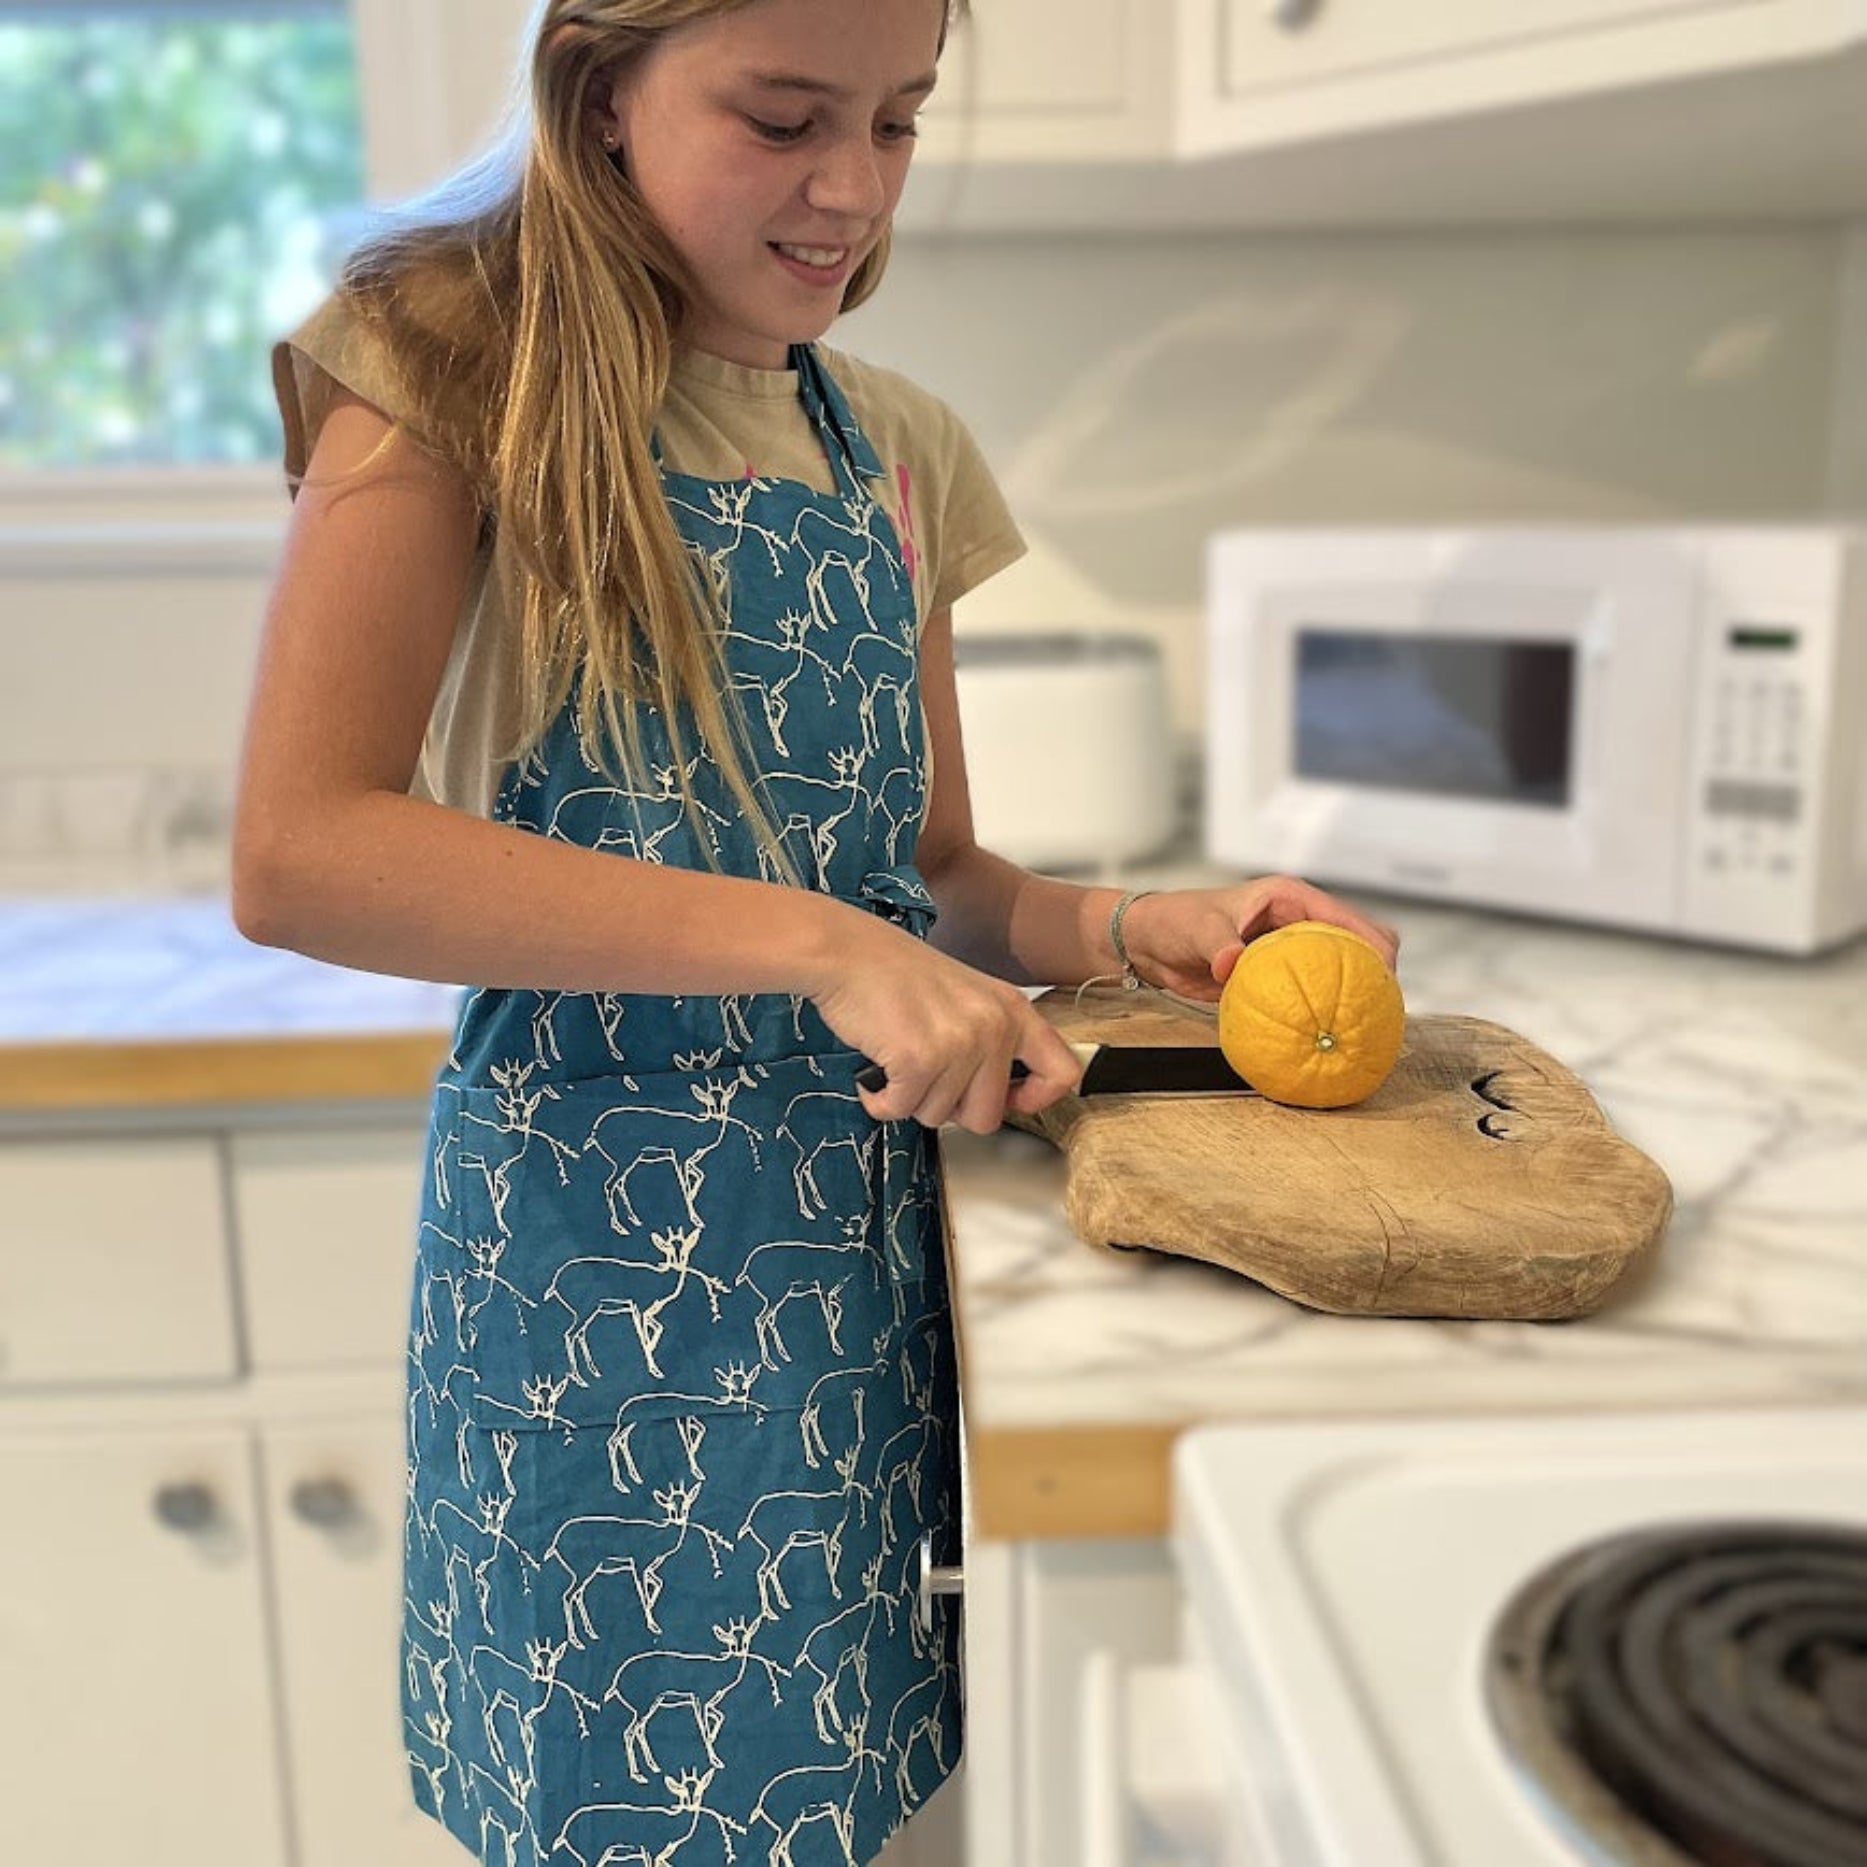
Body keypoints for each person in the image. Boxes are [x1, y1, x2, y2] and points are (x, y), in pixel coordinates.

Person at [234, 0, 1399, 1860]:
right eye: (784, 117)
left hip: (860, 1247)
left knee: (851, 1790)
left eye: (901, 122)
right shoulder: (453, 372)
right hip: (591, 1273)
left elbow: (929, 872)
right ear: (602, 95)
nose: (851, 188)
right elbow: (304, 851)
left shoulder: (900, 451)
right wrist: (815, 948)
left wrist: (1126, 917)